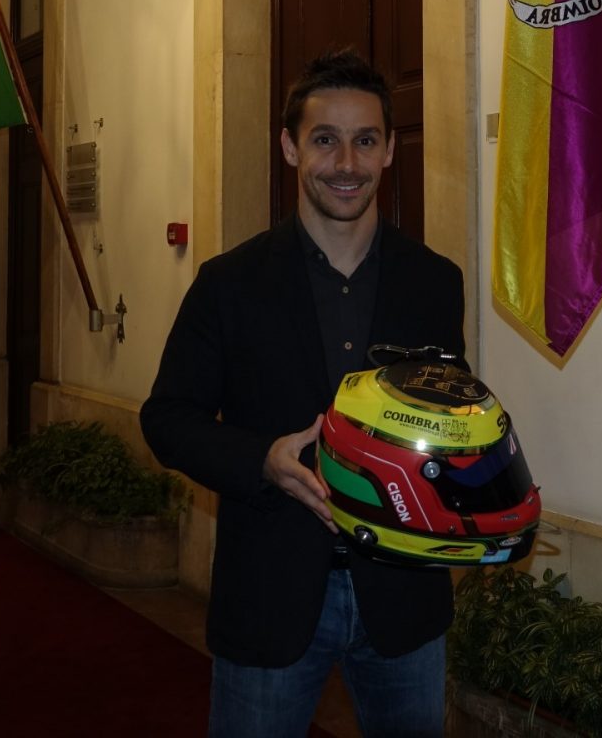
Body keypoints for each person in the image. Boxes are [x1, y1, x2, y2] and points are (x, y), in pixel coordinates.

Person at [141, 49, 463, 738]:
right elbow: (167, 418)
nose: (346, 162)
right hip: (271, 591)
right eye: (324, 140)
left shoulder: (435, 282)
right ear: (290, 148)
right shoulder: (227, 284)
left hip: (403, 597)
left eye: (365, 140)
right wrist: (261, 460)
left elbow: (447, 421)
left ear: (389, 150)